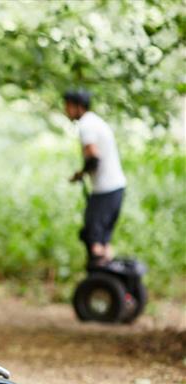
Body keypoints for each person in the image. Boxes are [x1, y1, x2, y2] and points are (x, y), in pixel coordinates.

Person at [63, 89, 127, 266]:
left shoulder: (86, 125)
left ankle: (99, 278)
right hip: (116, 188)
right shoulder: (95, 121)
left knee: (92, 236)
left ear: (78, 106)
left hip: (105, 190)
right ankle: (108, 277)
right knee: (103, 238)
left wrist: (80, 174)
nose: (65, 110)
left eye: (67, 106)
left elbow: (93, 157)